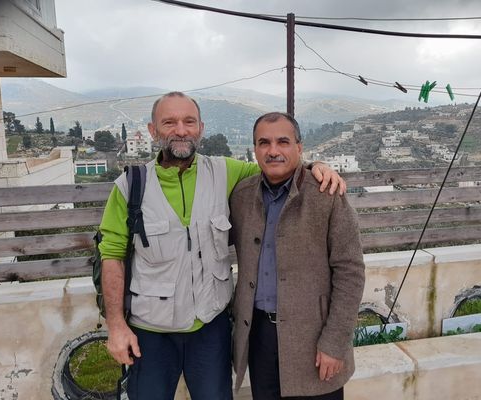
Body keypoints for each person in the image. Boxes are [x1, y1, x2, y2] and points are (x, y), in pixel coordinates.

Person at [98, 92, 345, 400]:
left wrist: (317, 165)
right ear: (152, 130)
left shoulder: (226, 172)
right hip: (150, 331)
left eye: (189, 122)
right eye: (169, 122)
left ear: (200, 128)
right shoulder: (129, 186)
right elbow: (112, 256)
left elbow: (279, 165)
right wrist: (116, 326)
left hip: (210, 328)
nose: (181, 130)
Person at [230, 112, 365, 400]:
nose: (273, 150)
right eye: (264, 143)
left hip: (314, 338)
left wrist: (334, 343)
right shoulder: (241, 196)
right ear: (254, 149)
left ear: (299, 148)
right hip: (259, 337)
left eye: (283, 141)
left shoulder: (326, 194)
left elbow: (350, 272)